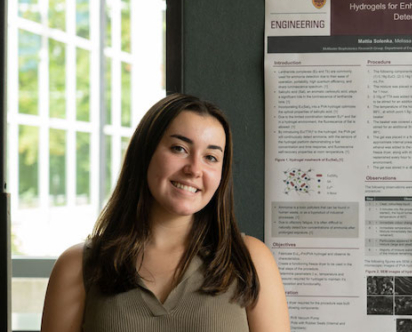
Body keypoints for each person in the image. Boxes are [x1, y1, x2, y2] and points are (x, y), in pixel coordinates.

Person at [41, 94, 290, 332]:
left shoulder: (250, 261)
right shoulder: (77, 266)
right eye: (179, 148)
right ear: (145, 153)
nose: (194, 169)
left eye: (211, 157)